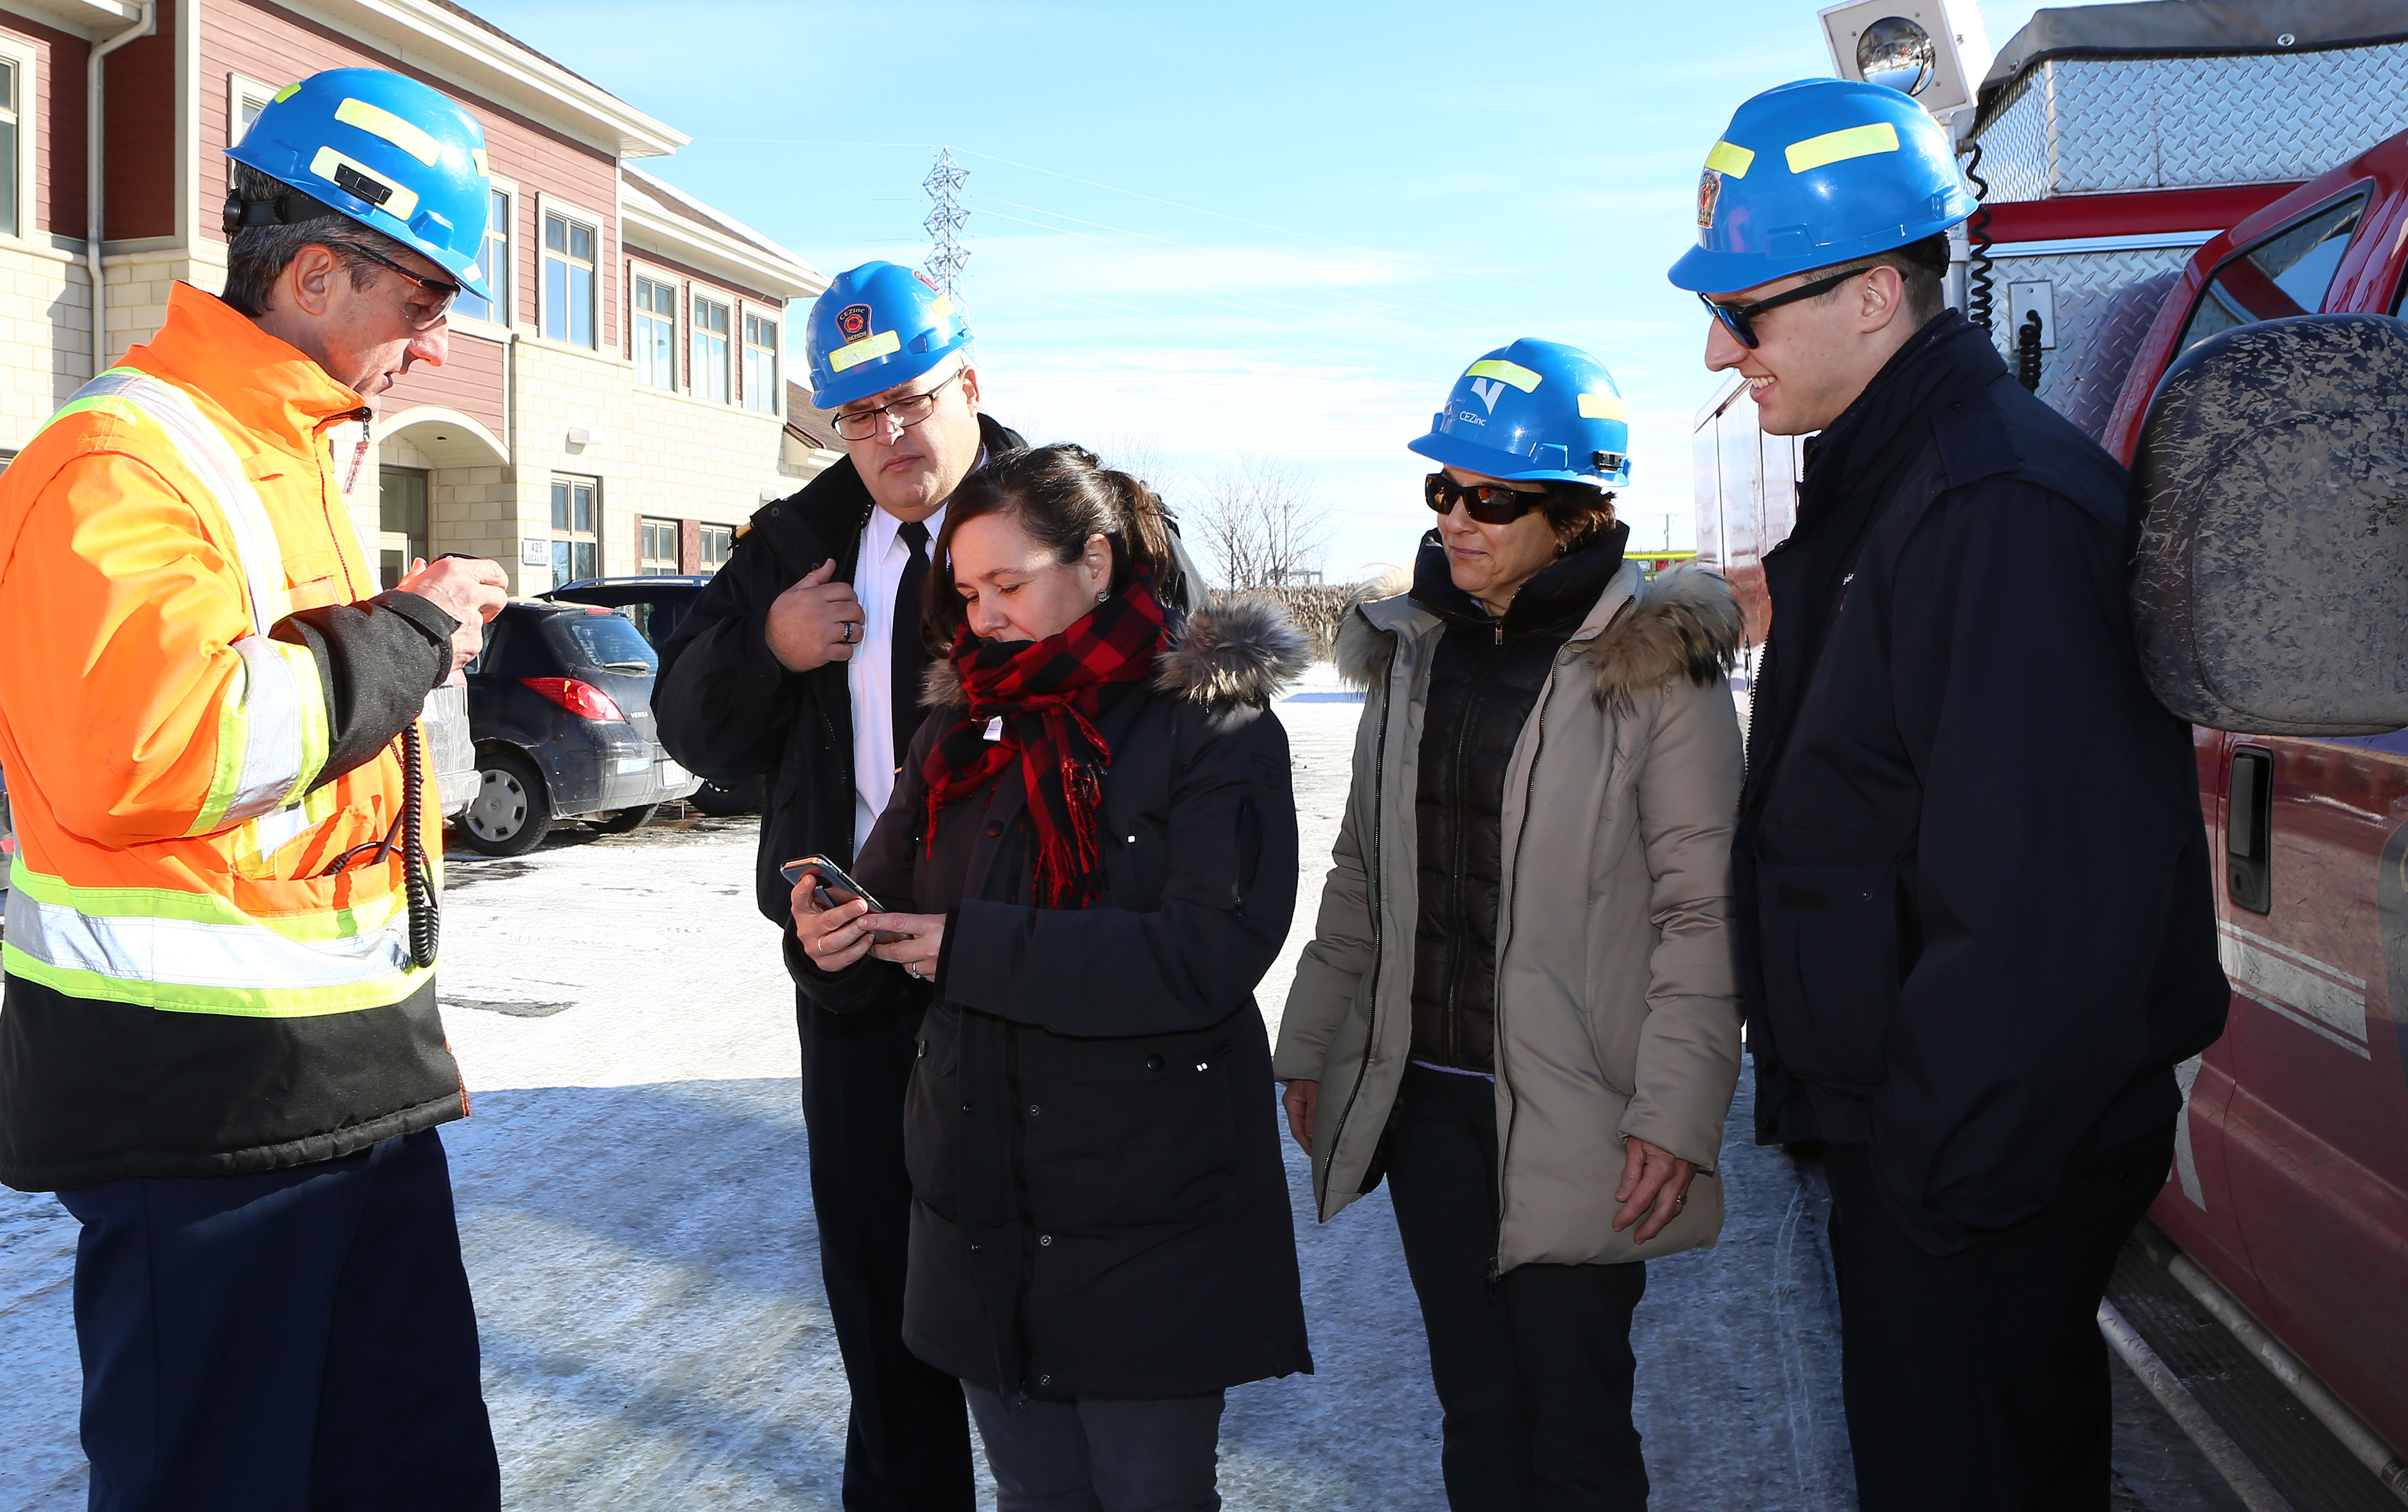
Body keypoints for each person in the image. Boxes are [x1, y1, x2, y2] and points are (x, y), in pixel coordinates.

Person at [1670, 77, 2231, 1510]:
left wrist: (1932, 1173)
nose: (1721, 345)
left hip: (1975, 1167)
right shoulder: (1889, 488)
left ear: (1872, 294)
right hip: (1928, 1148)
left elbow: (2043, 911)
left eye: (1748, 307)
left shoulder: (1990, 505)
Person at [0, 68, 511, 1510]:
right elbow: (156, 747)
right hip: (200, 1116)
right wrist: (406, 638)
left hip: (337, 1090)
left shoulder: (294, 457)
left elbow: (314, 799)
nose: (438, 345)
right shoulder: (119, 460)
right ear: (320, 267)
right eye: (424, 299)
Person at [788, 444, 1310, 1512]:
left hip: (1148, 1216)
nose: (984, 619)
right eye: (969, 593)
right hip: (981, 1208)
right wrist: (832, 939)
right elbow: (888, 902)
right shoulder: (961, 724)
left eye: (1010, 585)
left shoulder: (1213, 717)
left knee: (1150, 1497)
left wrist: (969, 947)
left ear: (1098, 561)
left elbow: (1207, 951)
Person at [1272, 342, 1744, 1512]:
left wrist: (1677, 1116)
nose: (1455, 519)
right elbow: (1361, 876)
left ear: (1577, 516)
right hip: (1430, 1102)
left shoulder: (1652, 670)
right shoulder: (1412, 654)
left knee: (1574, 1427)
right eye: (1442, 490)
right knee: (1478, 1412)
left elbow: (1704, 915)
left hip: (1582, 1110)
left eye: (1490, 499)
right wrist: (1312, 1044)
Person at [654, 261, 1023, 1510]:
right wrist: (768, 650)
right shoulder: (798, 543)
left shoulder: (1066, 519)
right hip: (856, 979)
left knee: (1045, 1300)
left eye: (910, 401)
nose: (887, 437)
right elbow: (691, 726)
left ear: (967, 383)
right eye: (856, 415)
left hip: (1018, 979)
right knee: (882, 1303)